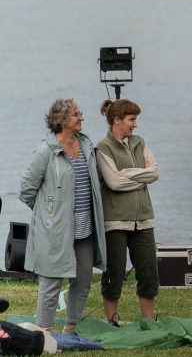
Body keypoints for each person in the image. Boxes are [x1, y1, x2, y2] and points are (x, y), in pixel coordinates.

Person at [19, 99, 107, 333]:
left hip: (86, 229)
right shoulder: (46, 151)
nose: (82, 118)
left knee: (83, 281)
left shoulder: (87, 146)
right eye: (77, 114)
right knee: (51, 283)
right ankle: (45, 332)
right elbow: (27, 190)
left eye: (81, 113)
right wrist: (49, 214)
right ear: (61, 120)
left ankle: (70, 329)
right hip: (56, 231)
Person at [96, 98, 160, 324]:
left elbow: (154, 173)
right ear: (117, 120)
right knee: (114, 273)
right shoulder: (103, 148)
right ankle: (112, 321)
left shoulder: (140, 142)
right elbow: (113, 182)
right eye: (132, 119)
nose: (135, 124)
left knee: (148, 272)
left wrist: (127, 174)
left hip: (143, 219)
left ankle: (148, 321)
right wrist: (139, 177)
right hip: (115, 222)